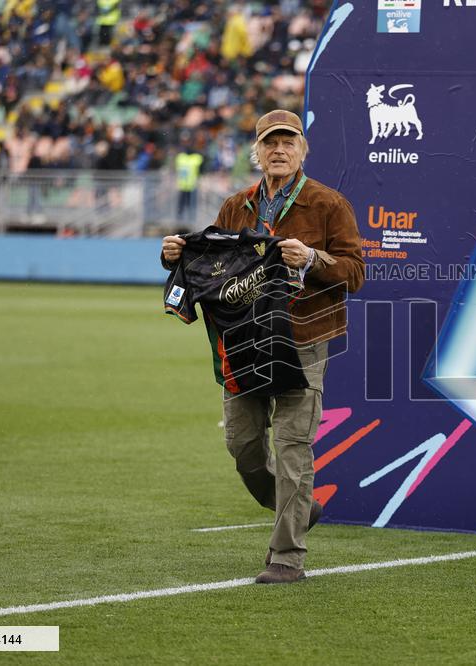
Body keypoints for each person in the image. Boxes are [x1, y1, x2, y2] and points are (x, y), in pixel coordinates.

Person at [160, 110, 364, 584]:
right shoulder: (237, 205)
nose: (279, 150)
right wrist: (173, 254)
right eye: (270, 143)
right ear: (257, 152)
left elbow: (354, 272)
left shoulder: (328, 203)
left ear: (302, 150)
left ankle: (286, 556)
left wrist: (313, 258)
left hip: (303, 340)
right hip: (245, 341)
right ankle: (297, 508)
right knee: (244, 447)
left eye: (287, 142)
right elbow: (211, 263)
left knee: (294, 448)